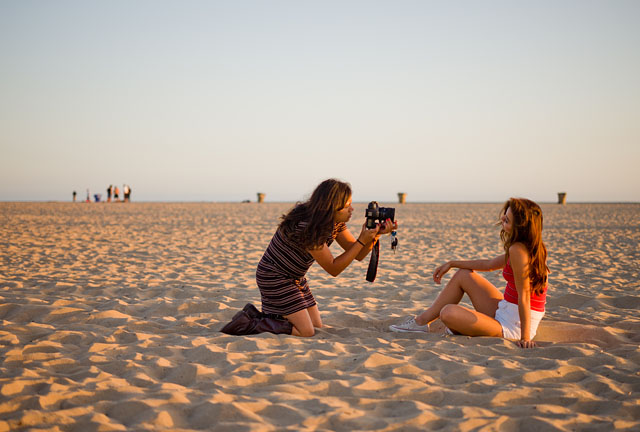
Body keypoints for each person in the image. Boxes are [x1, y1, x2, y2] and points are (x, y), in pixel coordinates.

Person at [222, 179, 398, 337]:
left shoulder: (334, 222)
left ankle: (267, 314)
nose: (352, 209)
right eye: (347, 206)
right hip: (274, 277)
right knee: (305, 331)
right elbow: (333, 268)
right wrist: (362, 240)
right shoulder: (308, 228)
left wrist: (374, 236)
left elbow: (357, 254)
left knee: (316, 325)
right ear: (332, 206)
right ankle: (249, 321)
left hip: (295, 278)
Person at [390, 198, 548, 349]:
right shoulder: (529, 246)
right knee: (463, 274)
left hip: (514, 325)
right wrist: (452, 264)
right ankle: (421, 322)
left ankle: (452, 326)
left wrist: (525, 338)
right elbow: (489, 264)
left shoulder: (518, 251)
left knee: (447, 313)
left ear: (520, 228)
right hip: (507, 309)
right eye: (504, 216)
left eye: (507, 220)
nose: (502, 220)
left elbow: (525, 295)